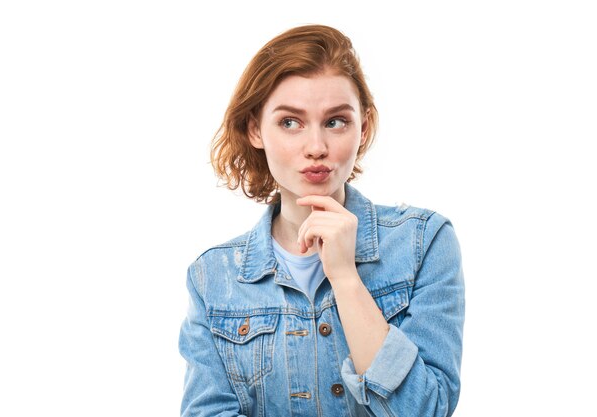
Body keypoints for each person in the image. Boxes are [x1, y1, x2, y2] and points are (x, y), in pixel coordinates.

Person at [179, 24, 465, 417]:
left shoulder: (424, 243)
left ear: (362, 128)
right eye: (290, 122)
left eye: (335, 121)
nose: (316, 147)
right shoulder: (213, 277)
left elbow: (426, 409)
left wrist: (346, 279)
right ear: (254, 129)